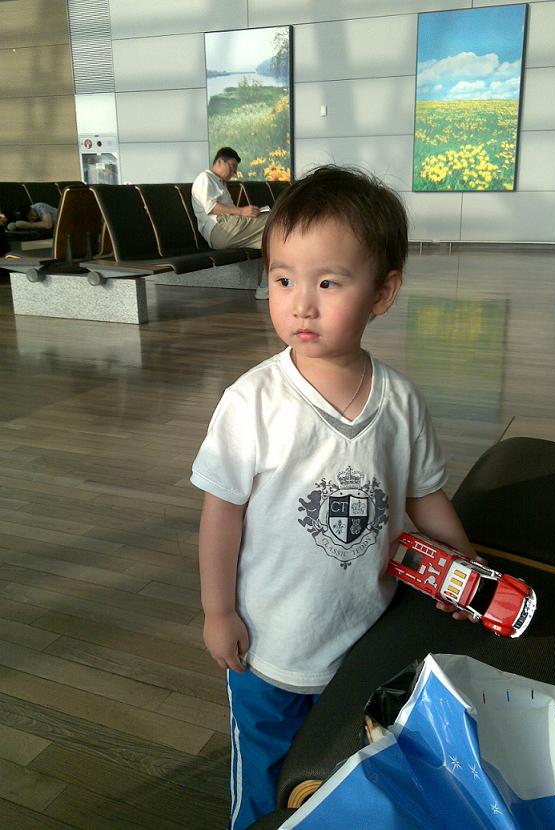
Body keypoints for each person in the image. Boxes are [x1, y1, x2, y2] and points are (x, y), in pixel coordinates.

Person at [191, 165, 476, 830]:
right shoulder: (252, 403)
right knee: (263, 781)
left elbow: (424, 495)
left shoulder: (399, 403)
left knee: (342, 770)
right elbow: (221, 515)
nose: (301, 304)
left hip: (361, 643)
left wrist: (463, 565)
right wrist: (217, 611)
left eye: (328, 282)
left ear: (383, 292)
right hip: (267, 648)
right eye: (283, 279)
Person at [191, 147, 270, 299]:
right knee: (273, 222)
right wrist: (242, 211)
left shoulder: (220, 183)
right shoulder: (205, 178)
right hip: (219, 229)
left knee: (271, 238)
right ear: (220, 161)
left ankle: (265, 287)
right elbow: (211, 208)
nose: (233, 172)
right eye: (232, 166)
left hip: (228, 227)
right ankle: (266, 286)